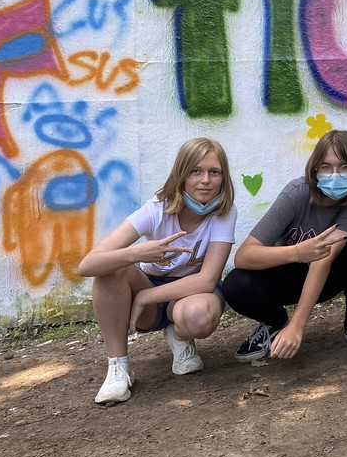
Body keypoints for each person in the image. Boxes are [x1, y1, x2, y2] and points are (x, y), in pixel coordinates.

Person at [78, 138, 237, 405]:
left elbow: (207, 280)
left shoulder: (224, 212)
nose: (205, 180)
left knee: (200, 316)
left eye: (214, 172)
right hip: (149, 288)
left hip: (191, 292)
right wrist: (136, 254)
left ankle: (180, 336)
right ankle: (118, 367)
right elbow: (87, 265)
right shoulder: (156, 210)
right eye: (196, 171)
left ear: (223, 178)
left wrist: (145, 297)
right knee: (112, 269)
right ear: (181, 174)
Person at [222, 130, 347, 361]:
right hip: (286, 276)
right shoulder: (296, 194)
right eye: (326, 167)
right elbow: (243, 256)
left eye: (345, 167)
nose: (335, 175)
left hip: (325, 277)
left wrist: (298, 326)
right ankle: (275, 323)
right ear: (315, 169)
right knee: (236, 284)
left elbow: (323, 259)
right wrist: (298, 253)